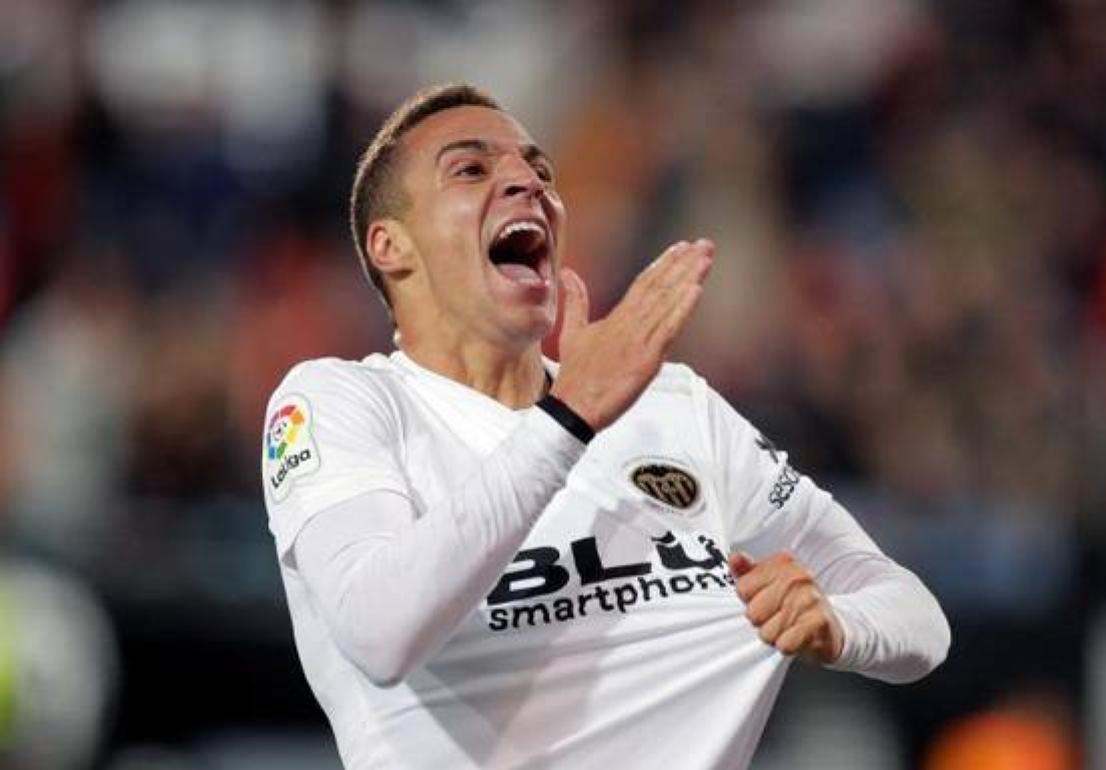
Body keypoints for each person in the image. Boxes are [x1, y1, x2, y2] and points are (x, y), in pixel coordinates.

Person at [261, 83, 949, 770]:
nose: (525, 183)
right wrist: (568, 418)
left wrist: (839, 623)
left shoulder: (673, 409)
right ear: (391, 245)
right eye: (471, 169)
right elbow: (380, 632)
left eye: (539, 171)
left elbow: (917, 616)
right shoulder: (337, 403)